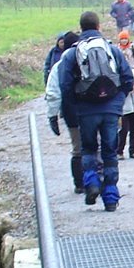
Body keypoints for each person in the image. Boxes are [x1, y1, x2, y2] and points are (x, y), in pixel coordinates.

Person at [58, 12, 133, 212]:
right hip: (111, 110)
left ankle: (91, 183)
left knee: (89, 149)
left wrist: (75, 107)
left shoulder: (72, 54)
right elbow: (128, 79)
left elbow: (65, 86)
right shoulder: (112, 49)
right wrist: (117, 102)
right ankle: (110, 197)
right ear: (99, 27)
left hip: (86, 110)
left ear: (81, 28)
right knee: (110, 152)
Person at [44, 31, 84, 194]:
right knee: (94, 145)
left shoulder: (59, 66)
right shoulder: (88, 59)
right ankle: (96, 179)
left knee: (77, 147)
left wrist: (52, 116)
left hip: (71, 112)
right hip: (92, 109)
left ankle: (79, 184)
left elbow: (53, 93)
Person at [116, 31, 134, 159]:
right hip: (124, 104)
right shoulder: (117, 52)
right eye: (122, 39)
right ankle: (119, 150)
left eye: (125, 39)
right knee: (123, 128)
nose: (124, 41)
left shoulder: (133, 50)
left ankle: (133, 149)